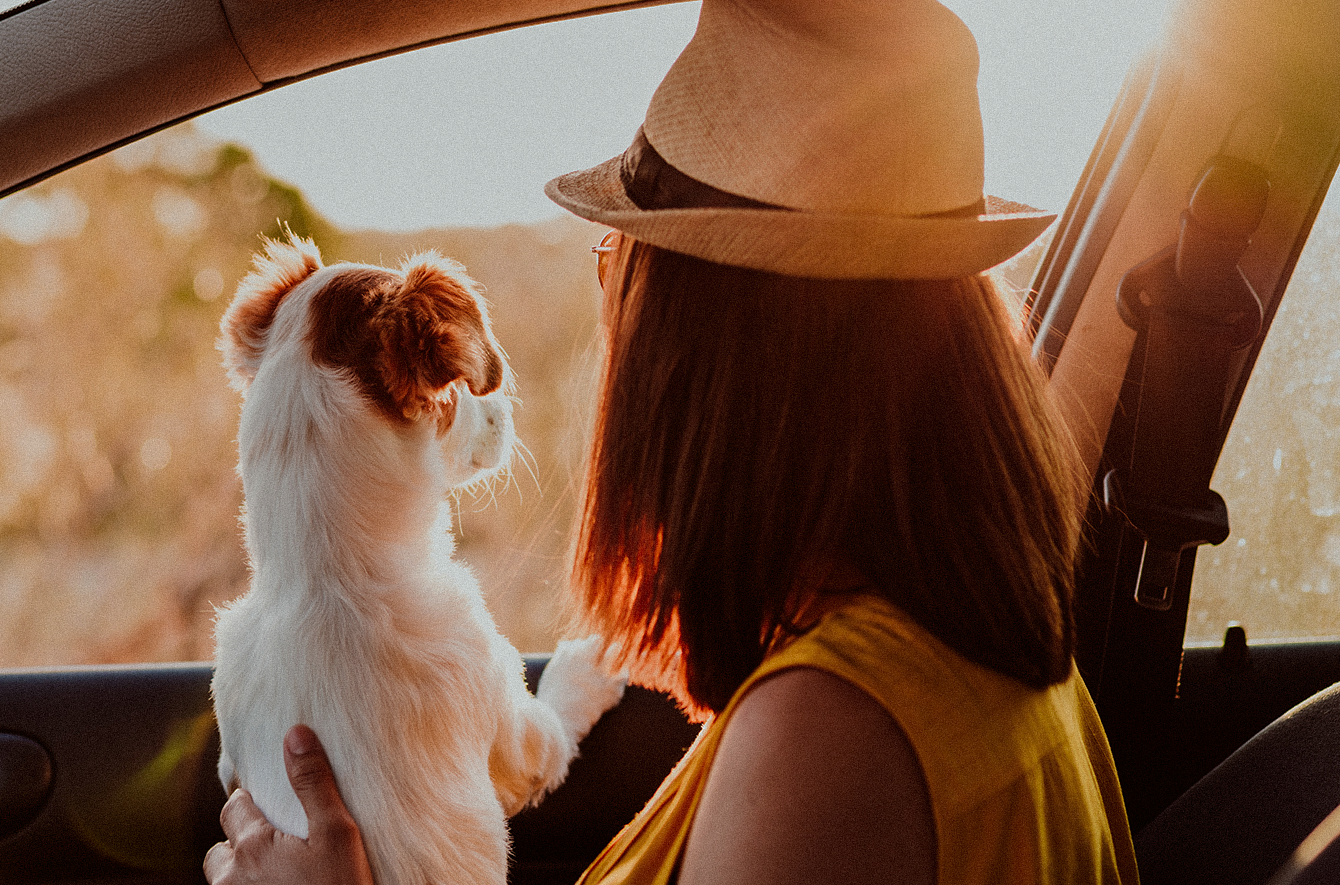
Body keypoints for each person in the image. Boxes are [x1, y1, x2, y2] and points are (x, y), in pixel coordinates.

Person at [205, 0, 1139, 883]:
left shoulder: (828, 738)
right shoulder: (986, 671)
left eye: (619, 259)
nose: (610, 302)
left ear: (706, 348)